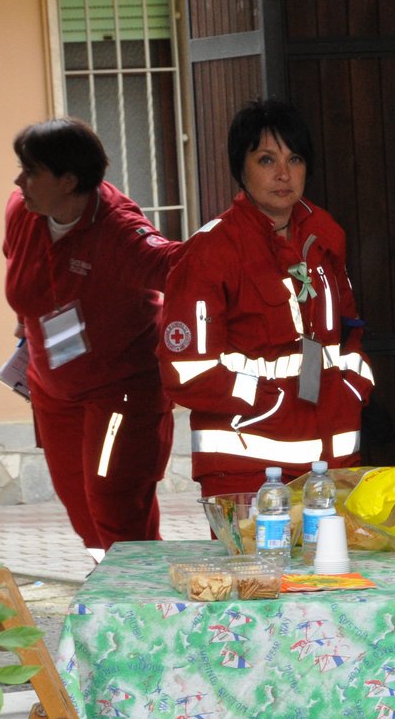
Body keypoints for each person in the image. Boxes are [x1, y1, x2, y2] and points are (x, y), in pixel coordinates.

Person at [158, 99, 374, 497]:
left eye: (294, 159)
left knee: (335, 563)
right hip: (246, 469)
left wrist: (353, 386)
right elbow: (184, 372)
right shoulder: (211, 251)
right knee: (258, 564)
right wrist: (267, 399)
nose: (283, 174)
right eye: (265, 160)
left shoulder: (325, 235)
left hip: (333, 460)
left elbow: (348, 330)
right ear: (240, 168)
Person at [4, 118, 182, 559]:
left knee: (114, 503)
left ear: (68, 181)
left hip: (119, 392)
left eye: (31, 172)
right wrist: (26, 326)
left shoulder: (120, 231)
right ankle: (107, 594)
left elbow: (179, 268)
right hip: (53, 390)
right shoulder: (21, 211)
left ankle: (143, 605)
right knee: (81, 509)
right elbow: (22, 271)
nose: (18, 181)